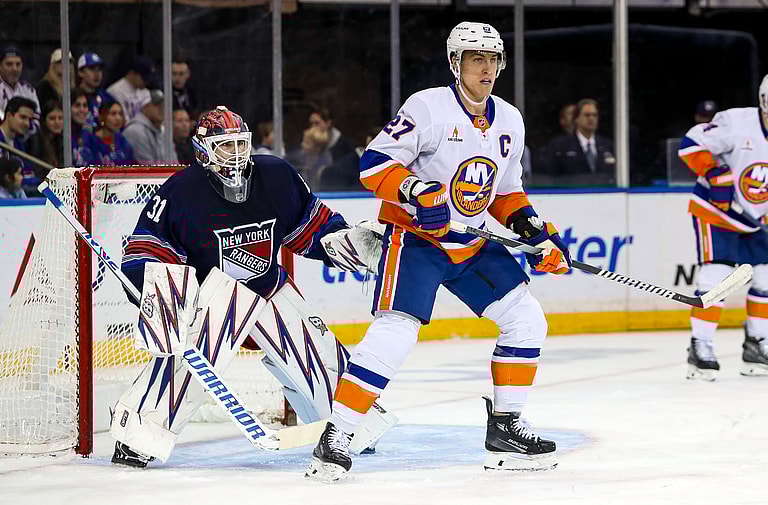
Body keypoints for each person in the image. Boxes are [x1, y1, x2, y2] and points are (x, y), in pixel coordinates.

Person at [305, 21, 570, 482]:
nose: (487, 69)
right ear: (456, 63)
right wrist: (415, 189)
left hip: (471, 242)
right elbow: (373, 165)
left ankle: (506, 428)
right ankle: (339, 434)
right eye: (476, 59)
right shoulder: (427, 107)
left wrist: (533, 231)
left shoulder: (509, 118)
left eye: (493, 60)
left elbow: (506, 192)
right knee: (396, 332)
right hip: (416, 242)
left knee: (527, 319)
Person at [111, 105, 384, 468]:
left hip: (268, 286)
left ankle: (350, 428)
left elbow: (311, 226)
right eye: (225, 146)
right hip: (215, 299)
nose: (236, 155)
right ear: (203, 151)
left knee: (316, 351)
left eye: (240, 144)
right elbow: (147, 245)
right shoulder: (181, 190)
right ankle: (139, 435)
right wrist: (157, 288)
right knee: (188, 361)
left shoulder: (276, 176)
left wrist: (343, 240)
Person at [677, 75, 768, 381]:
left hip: (755, 218)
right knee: (716, 277)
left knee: (766, 278)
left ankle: (757, 345)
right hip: (716, 212)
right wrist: (715, 171)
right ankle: (700, 347)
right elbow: (690, 145)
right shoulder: (736, 122)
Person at [538, 98, 616, 185]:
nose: (591, 118)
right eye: (587, 115)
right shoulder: (560, 146)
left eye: (594, 115)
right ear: (576, 119)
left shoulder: (608, 145)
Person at [122, 89, 177, 164]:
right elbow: (148, 168)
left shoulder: (161, 130)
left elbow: (175, 162)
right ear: (145, 107)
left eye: (163, 105)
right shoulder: (135, 131)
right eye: (156, 105)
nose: (162, 108)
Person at [0, 44, 40, 137]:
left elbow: (36, 120)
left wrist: (22, 128)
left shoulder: (28, 89)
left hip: (25, 137)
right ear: (0, 66)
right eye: (9, 64)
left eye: (18, 64)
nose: (14, 68)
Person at [106, 55, 157, 123]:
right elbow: (122, 121)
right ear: (132, 74)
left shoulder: (145, 91)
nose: (147, 82)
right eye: (144, 79)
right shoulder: (115, 91)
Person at [70, 88, 110, 167]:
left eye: (85, 105)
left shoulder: (90, 137)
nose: (82, 110)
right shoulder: (62, 137)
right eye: (77, 105)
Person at [0, 96, 36, 180]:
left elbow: (28, 172)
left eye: (30, 120)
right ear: (9, 115)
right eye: (23, 117)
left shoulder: (19, 143)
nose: (27, 123)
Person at [77, 52, 114, 129]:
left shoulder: (106, 98)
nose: (97, 74)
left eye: (99, 69)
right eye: (92, 69)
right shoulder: (72, 97)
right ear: (80, 72)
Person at [26, 99, 64, 174]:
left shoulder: (62, 140)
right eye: (52, 118)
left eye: (60, 118)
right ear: (44, 121)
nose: (57, 122)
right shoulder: (35, 141)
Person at [94, 100, 135, 165]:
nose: (118, 118)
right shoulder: (93, 141)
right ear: (102, 117)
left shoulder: (121, 140)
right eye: (113, 114)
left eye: (120, 114)